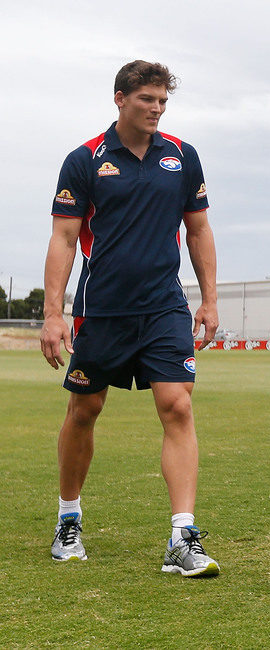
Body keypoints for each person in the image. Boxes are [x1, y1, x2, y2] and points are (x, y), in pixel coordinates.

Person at [40, 60, 220, 576]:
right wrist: (54, 314)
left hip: (165, 306)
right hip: (102, 309)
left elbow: (200, 230)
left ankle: (182, 536)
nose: (157, 110)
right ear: (120, 99)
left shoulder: (182, 156)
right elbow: (65, 238)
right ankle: (68, 518)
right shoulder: (85, 159)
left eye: (163, 101)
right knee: (84, 410)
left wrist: (208, 300)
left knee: (178, 407)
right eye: (148, 100)